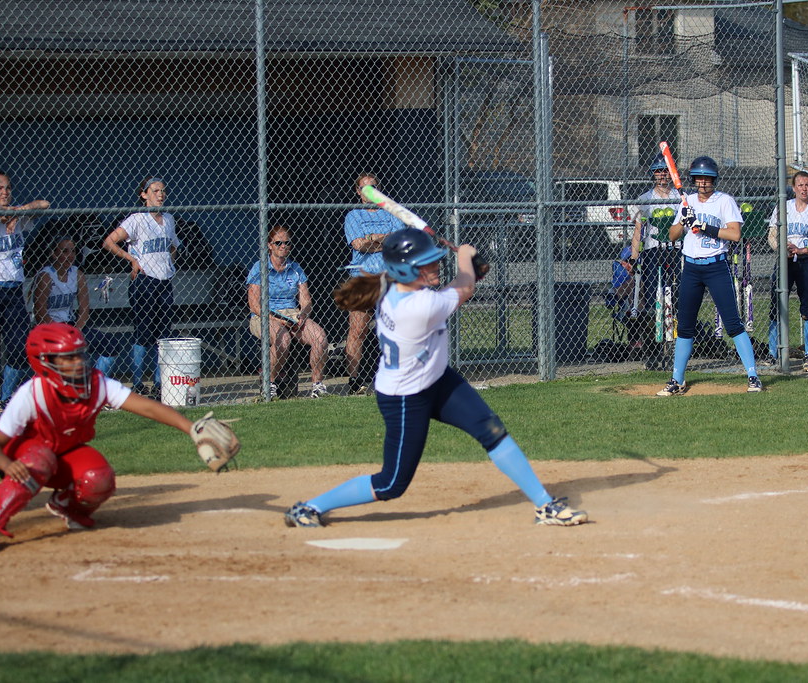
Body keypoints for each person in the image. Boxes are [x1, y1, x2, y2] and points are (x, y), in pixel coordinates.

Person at [284, 228, 587, 528]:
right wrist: (467, 258)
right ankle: (309, 507)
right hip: (404, 398)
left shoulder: (393, 283)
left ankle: (544, 505)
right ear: (404, 270)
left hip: (438, 379)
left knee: (491, 429)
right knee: (392, 483)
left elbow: (460, 284)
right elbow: (465, 288)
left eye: (433, 261)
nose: (434, 267)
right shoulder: (419, 307)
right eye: (425, 264)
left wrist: (470, 269)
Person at [0, 323, 197, 552]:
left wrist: (192, 428)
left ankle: (67, 506)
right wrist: (7, 466)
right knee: (39, 459)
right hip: (26, 456)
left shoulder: (96, 383)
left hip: (63, 455)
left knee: (98, 478)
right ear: (44, 361)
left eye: (79, 355)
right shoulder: (33, 392)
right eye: (68, 358)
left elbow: (148, 408)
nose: (78, 362)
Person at [656, 156, 763, 396]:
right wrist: (685, 220)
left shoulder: (724, 201)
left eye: (707, 178)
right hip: (691, 268)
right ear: (693, 180)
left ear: (714, 180)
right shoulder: (688, 201)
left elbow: (735, 235)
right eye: (699, 178)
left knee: (733, 323)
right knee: (684, 326)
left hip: (716, 266)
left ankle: (753, 376)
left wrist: (704, 226)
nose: (703, 183)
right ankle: (677, 379)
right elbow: (672, 235)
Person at [102, 177, 179, 397]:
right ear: (144, 194)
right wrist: (131, 259)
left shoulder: (169, 219)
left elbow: (173, 246)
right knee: (143, 333)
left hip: (164, 281)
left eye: (163, 191)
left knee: (163, 335)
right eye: (155, 191)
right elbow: (108, 242)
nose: (161, 195)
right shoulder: (136, 219)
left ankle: (158, 384)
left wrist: (169, 261)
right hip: (145, 281)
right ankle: (137, 382)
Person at [0, 171, 50, 417]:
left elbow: (45, 204)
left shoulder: (18, 214)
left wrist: (17, 211)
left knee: (17, 346)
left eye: (7, 188)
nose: (5, 192)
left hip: (14, 289)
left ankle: (5, 396)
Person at [246, 225, 329, 399]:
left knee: (320, 338)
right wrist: (275, 318)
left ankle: (317, 385)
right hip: (264, 315)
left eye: (287, 243)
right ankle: (270, 384)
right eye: (278, 243)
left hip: (292, 313)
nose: (283, 246)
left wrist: (302, 315)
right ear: (269, 245)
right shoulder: (259, 268)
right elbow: (254, 305)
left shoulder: (295, 268)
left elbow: (306, 300)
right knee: (282, 338)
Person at [342, 173, 405, 395]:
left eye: (373, 188)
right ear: (358, 192)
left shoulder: (391, 213)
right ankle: (354, 381)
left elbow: (400, 242)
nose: (369, 193)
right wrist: (383, 239)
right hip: (363, 278)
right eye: (364, 189)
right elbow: (359, 245)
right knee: (357, 330)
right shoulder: (353, 216)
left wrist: (374, 238)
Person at [764, 172, 808, 373]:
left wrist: (803, 250)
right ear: (794, 188)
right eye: (800, 185)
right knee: (776, 305)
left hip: (806, 261)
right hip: (785, 261)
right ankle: (772, 352)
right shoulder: (783, 207)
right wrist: (782, 248)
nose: (804, 188)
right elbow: (772, 236)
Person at [32, 235, 122, 376]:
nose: (70, 256)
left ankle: (94, 383)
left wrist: (77, 331)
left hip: (71, 326)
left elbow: (84, 308)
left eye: (73, 251)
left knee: (111, 344)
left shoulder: (77, 274)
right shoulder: (46, 276)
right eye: (64, 251)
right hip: (50, 328)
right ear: (54, 254)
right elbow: (40, 313)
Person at [629, 154, 682, 356]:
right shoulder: (644, 199)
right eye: (658, 171)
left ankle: (675, 338)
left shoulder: (679, 197)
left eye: (665, 171)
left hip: (675, 249)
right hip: (653, 251)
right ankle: (654, 343)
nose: (662, 175)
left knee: (676, 294)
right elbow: (638, 231)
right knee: (653, 296)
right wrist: (634, 257)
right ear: (654, 174)